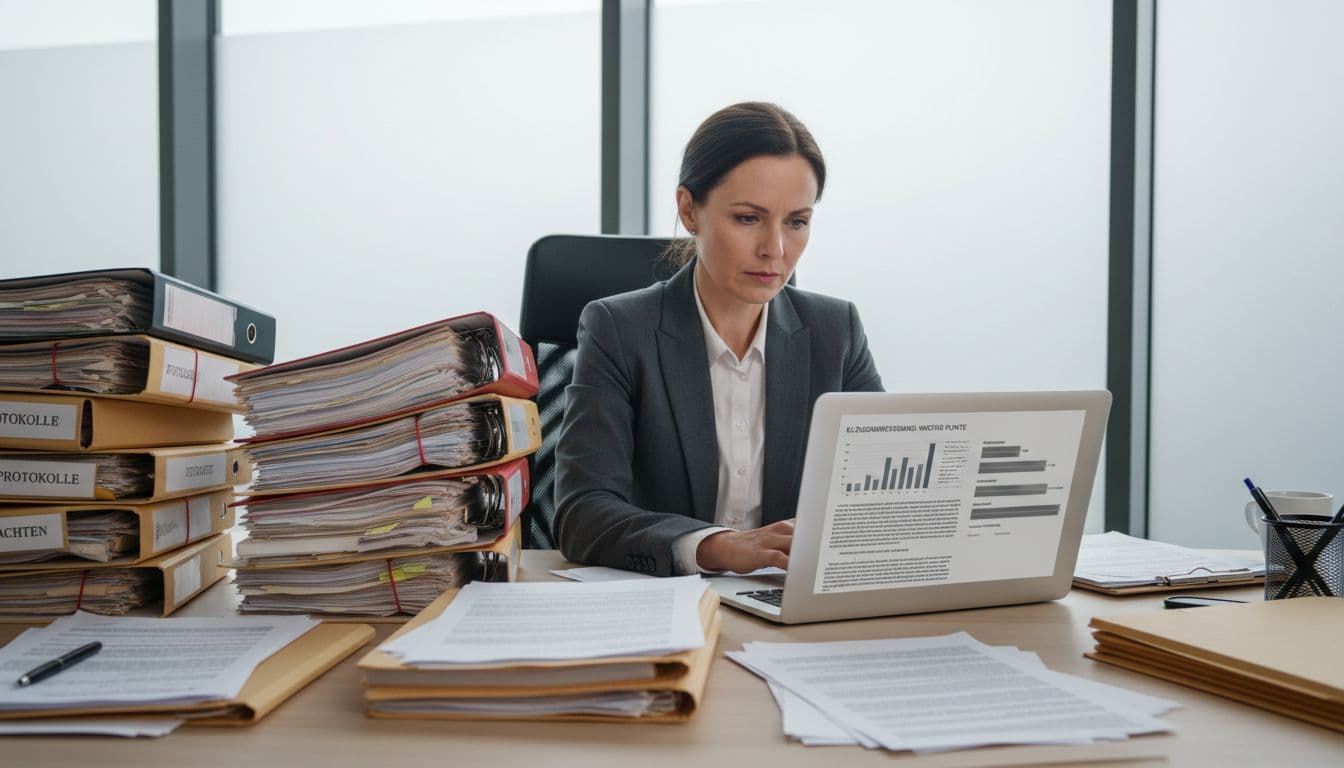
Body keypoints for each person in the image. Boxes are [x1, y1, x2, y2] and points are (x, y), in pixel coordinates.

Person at [554, 102, 883, 576]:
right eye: (749, 218)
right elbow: (582, 513)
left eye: (796, 221)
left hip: (783, 606)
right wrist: (714, 547)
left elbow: (884, 494)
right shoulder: (619, 330)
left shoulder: (837, 332)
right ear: (690, 210)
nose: (776, 249)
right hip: (658, 599)